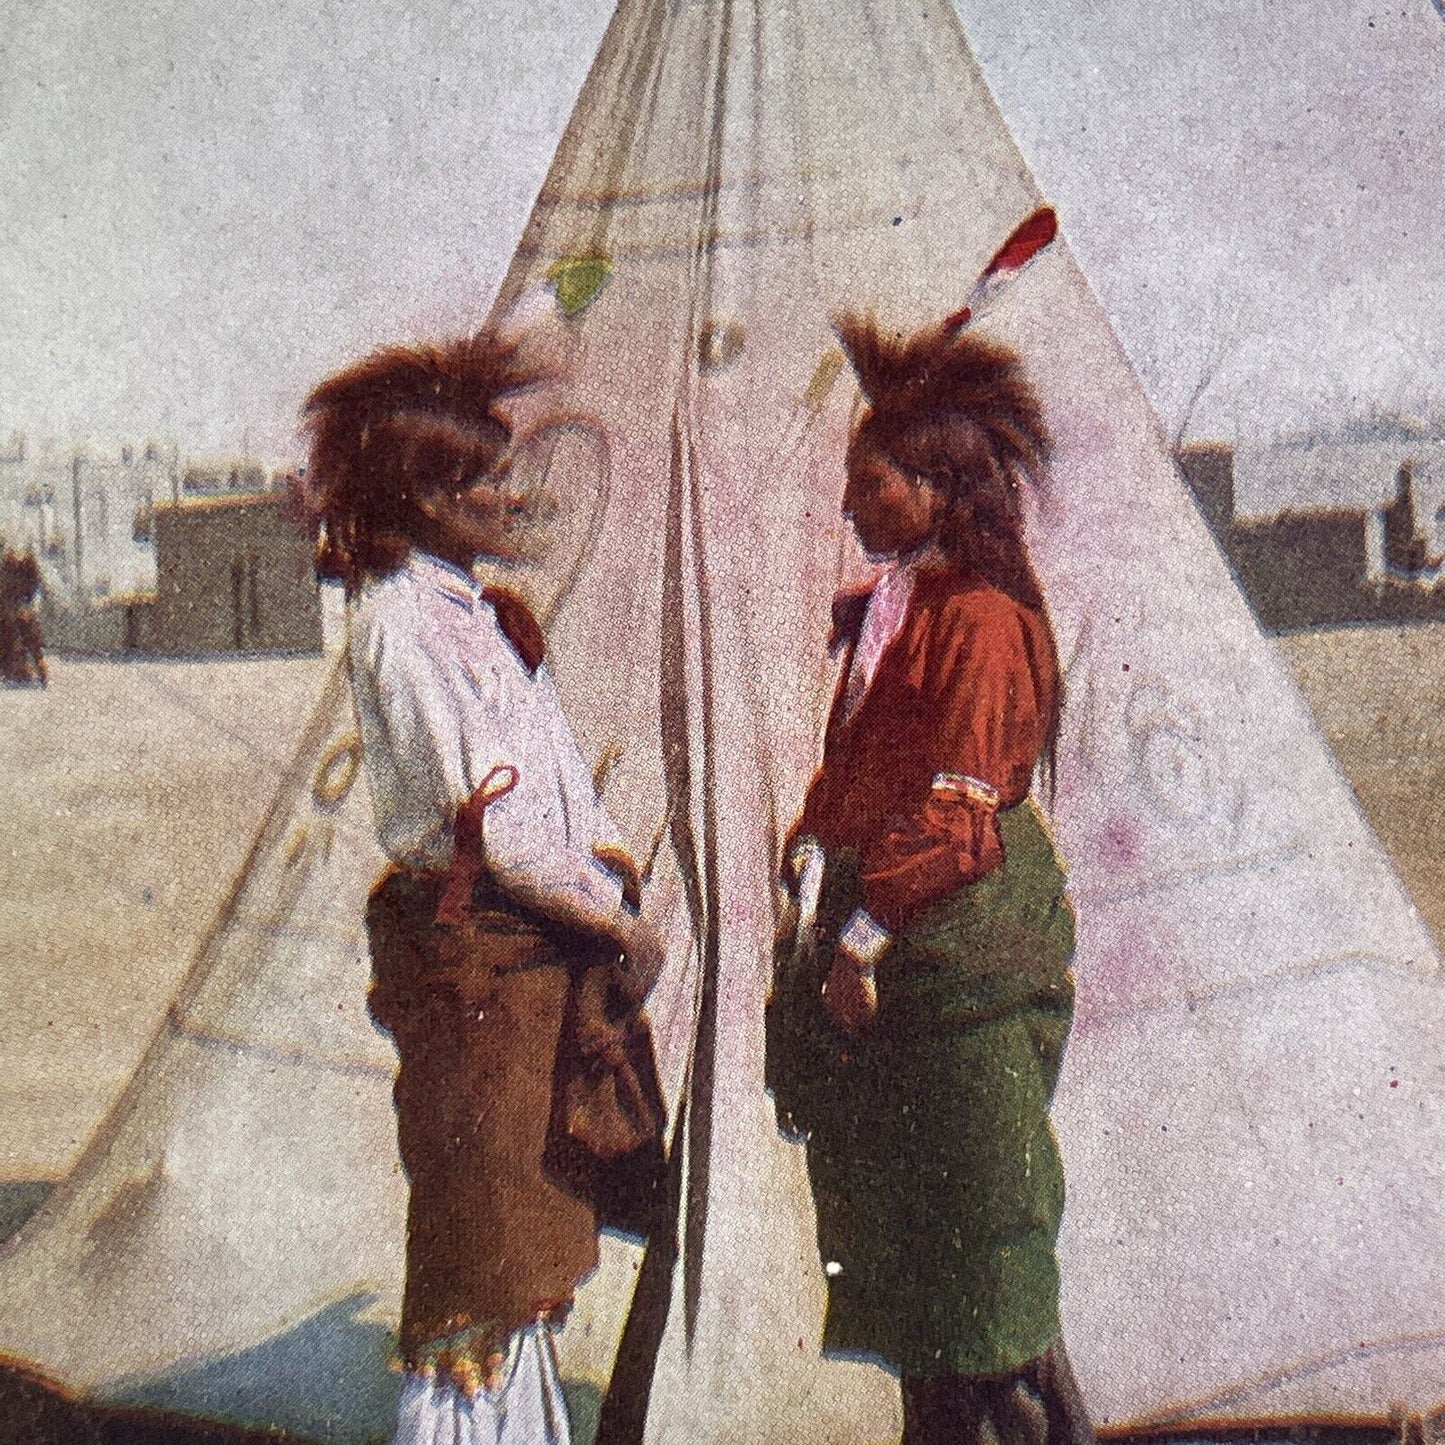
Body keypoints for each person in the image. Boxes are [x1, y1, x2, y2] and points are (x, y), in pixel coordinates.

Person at [299, 329, 667, 1445]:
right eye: (484, 479)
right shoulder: (400, 623)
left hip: (537, 942)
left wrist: (610, 867)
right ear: (420, 495)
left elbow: (553, 779)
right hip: (478, 952)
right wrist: (611, 921)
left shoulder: (482, 616)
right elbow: (494, 826)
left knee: (526, 1219)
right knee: (479, 1241)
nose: (512, 495)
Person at [767, 315, 1094, 1445]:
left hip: (952, 960)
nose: (850, 505)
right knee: (917, 1261)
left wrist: (857, 937)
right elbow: (856, 775)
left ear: (938, 487)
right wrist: (810, 850)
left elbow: (959, 821)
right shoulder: (904, 609)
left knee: (979, 1253)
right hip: (900, 953)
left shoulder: (984, 624)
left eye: (872, 483)